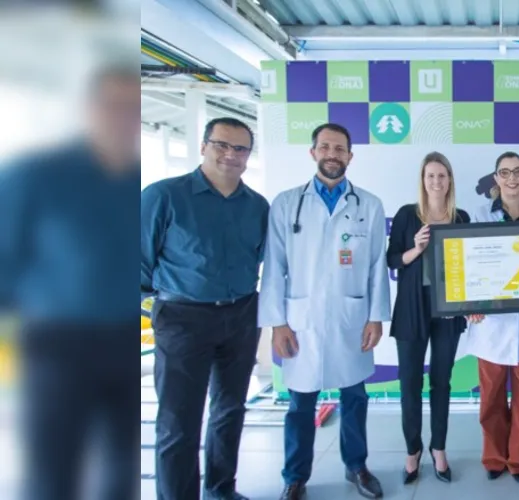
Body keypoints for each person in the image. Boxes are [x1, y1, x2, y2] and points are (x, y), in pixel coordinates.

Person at [0, 62, 140, 500]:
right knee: (53, 468)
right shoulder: (37, 176)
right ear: (87, 108)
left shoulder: (138, 182)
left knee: (123, 466)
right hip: (58, 345)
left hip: (126, 342)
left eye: (132, 108)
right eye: (112, 105)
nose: (123, 116)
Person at [258, 123, 391, 500]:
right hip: (300, 321)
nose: (333, 154)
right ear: (313, 152)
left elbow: (377, 266)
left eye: (340, 148)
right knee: (300, 402)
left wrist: (376, 316)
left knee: (355, 397)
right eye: (326, 147)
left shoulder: (369, 204)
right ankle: (295, 476)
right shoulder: (287, 203)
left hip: (353, 318)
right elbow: (274, 265)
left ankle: (357, 467)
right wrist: (277, 323)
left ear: (351, 156)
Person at [141, 115, 269, 500]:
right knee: (179, 421)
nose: (231, 154)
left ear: (249, 155)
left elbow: (264, 260)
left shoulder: (257, 206)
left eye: (240, 148)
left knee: (230, 411)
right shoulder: (164, 196)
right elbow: (136, 263)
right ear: (203, 146)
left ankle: (220, 488)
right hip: (183, 319)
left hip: (242, 314)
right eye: (221, 145)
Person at [464, 151, 519, 484]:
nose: (512, 178)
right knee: (491, 400)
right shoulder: (479, 215)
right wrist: (469, 302)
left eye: (517, 172)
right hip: (492, 324)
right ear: (496, 178)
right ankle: (494, 457)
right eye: (505, 172)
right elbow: (470, 263)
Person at [386, 152, 471, 484]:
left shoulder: (461, 218)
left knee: (442, 382)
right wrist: (416, 249)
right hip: (411, 308)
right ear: (423, 180)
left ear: (450, 180)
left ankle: (438, 448)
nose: (436, 181)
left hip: (448, 310)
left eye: (442, 175)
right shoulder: (408, 215)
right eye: (431, 176)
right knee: (409, 383)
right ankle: (413, 450)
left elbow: (470, 268)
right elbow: (392, 260)